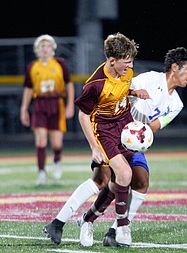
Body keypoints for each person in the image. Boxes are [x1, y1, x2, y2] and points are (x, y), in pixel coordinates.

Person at [77, 47, 187, 247]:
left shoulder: (177, 104)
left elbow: (155, 126)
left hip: (133, 142)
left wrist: (139, 133)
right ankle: (79, 221)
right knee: (104, 179)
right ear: (175, 67)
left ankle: (117, 229)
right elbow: (120, 92)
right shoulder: (150, 78)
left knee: (141, 180)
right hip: (111, 133)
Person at [43, 32, 142, 247]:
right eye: (127, 61)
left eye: (131, 61)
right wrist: (94, 146)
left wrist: (135, 92)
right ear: (112, 60)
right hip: (104, 131)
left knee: (117, 182)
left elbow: (121, 91)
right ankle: (122, 227)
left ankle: (81, 221)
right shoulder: (95, 84)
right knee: (116, 176)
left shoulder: (126, 71)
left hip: (124, 128)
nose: (131, 65)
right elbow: (83, 115)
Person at [20, 34, 75, 185]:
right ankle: (41, 172)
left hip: (56, 103)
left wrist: (70, 104)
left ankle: (57, 161)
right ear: (37, 49)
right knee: (41, 140)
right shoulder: (32, 67)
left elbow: (69, 84)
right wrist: (24, 108)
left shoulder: (60, 64)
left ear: (53, 49)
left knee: (57, 143)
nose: (45, 49)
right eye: (42, 46)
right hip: (40, 104)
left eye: (48, 46)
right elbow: (29, 89)